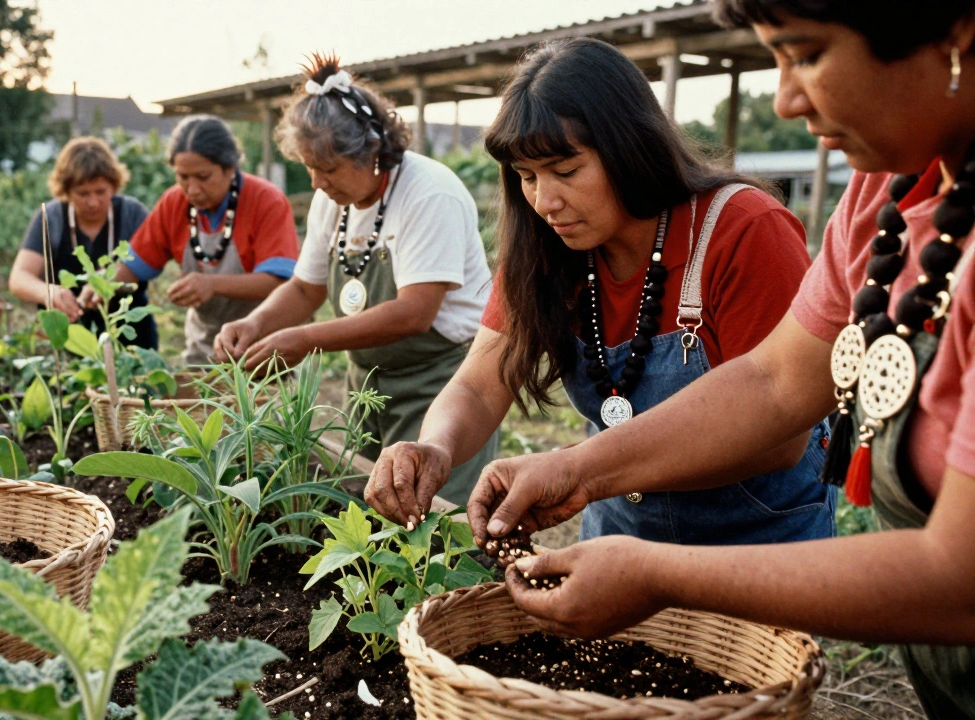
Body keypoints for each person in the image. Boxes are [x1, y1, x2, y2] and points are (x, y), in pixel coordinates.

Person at [456, 4, 975, 716]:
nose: (787, 99)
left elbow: (959, 576)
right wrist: (572, 469)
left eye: (808, 53)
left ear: (956, 28)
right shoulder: (882, 195)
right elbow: (775, 379)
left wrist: (655, 573)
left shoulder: (741, 228)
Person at [366, 38, 835, 543]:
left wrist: (579, 468)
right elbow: (480, 386)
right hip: (620, 538)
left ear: (630, 147)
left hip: (756, 540)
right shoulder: (547, 252)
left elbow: (781, 432)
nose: (545, 202)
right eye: (526, 177)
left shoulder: (742, 229)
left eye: (566, 172)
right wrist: (436, 447)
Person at [215, 55, 498, 504]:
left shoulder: (428, 194)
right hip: (367, 382)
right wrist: (258, 322)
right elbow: (305, 287)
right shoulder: (336, 200)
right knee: (367, 506)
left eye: (328, 168)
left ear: (371, 150)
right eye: (309, 166)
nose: (317, 181)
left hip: (438, 381)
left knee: (432, 518)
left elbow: (414, 313)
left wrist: (304, 340)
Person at [93, 115, 298, 365]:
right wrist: (97, 286)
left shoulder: (265, 201)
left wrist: (210, 284)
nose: (192, 189)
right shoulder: (174, 203)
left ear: (230, 168)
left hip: (265, 345)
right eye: (183, 177)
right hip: (205, 345)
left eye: (203, 176)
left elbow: (278, 282)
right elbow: (132, 266)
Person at [8, 136, 158, 349]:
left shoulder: (132, 215)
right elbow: (19, 277)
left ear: (113, 186)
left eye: (101, 192)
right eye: (83, 193)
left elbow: (156, 259)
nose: (93, 202)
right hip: (68, 338)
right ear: (66, 191)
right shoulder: (51, 218)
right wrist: (50, 293)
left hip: (131, 338)